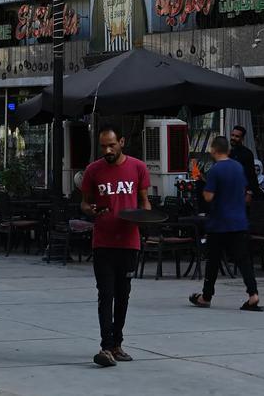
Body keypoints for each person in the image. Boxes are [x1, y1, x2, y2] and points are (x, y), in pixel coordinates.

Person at [81, 124, 151, 368]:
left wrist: (146, 217)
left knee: (123, 295)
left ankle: (117, 344)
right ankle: (106, 346)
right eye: (103, 146)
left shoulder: (138, 167)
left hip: (129, 242)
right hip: (103, 241)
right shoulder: (93, 170)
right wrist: (91, 210)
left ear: (121, 141)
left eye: (111, 145)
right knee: (105, 294)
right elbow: (85, 203)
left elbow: (145, 202)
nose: (107, 150)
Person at [189, 135, 263, 312]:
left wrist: (203, 187)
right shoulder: (238, 167)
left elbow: (208, 196)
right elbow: (245, 193)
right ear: (228, 150)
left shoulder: (215, 170)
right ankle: (253, 295)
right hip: (239, 221)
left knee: (213, 261)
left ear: (214, 150)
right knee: (244, 260)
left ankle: (206, 296)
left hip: (219, 222)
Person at [229, 125, 262, 198]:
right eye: (232, 135)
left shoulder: (247, 153)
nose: (233, 138)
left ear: (242, 139)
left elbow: (251, 174)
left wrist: (249, 193)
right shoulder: (229, 153)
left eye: (237, 136)